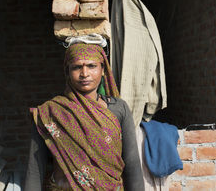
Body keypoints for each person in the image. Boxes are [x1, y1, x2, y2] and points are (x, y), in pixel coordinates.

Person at [24, 43, 144, 191]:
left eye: (92, 66)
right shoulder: (49, 112)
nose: (84, 73)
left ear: (103, 70)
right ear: (67, 71)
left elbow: (132, 164)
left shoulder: (119, 109)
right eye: (76, 67)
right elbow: (35, 169)